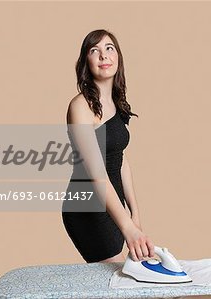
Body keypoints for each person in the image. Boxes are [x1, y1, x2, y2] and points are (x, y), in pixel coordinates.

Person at [62, 29, 155, 263]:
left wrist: (134, 214)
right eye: (95, 51)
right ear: (86, 63)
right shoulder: (80, 107)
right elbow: (95, 173)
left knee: (122, 281)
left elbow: (120, 160)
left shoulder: (117, 104)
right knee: (116, 284)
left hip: (113, 203)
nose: (104, 55)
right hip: (88, 207)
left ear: (118, 58)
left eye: (109, 48)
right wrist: (127, 226)